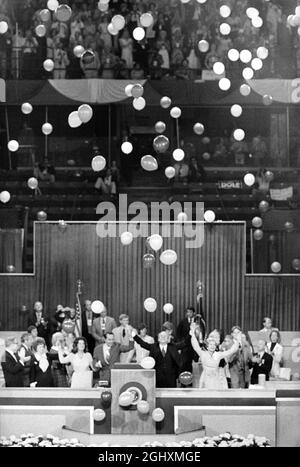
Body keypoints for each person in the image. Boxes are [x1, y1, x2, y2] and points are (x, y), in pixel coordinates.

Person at [190, 324, 239, 389]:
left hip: (218, 380)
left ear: (219, 340)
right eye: (210, 336)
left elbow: (232, 351)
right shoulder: (203, 352)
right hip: (205, 379)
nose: (210, 338)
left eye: (213, 337)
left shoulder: (220, 353)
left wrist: (237, 340)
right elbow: (195, 347)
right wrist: (193, 334)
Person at [176, 306, 196, 372]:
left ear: (194, 313)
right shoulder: (183, 321)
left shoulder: (197, 321)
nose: (189, 314)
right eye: (187, 312)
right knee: (184, 363)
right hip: (184, 346)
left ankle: (190, 380)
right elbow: (178, 333)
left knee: (190, 363)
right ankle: (182, 379)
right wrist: (179, 346)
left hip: (193, 346)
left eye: (190, 312)